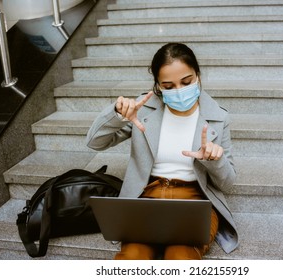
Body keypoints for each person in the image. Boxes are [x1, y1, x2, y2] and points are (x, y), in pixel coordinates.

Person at [86, 43, 239, 260]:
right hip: (147, 198)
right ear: (157, 86)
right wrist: (117, 114)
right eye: (168, 86)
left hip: (194, 201)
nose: (178, 91)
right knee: (131, 258)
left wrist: (214, 159)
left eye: (186, 82)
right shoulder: (145, 110)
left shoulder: (218, 117)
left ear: (198, 75)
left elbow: (228, 183)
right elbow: (95, 143)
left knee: (181, 256)